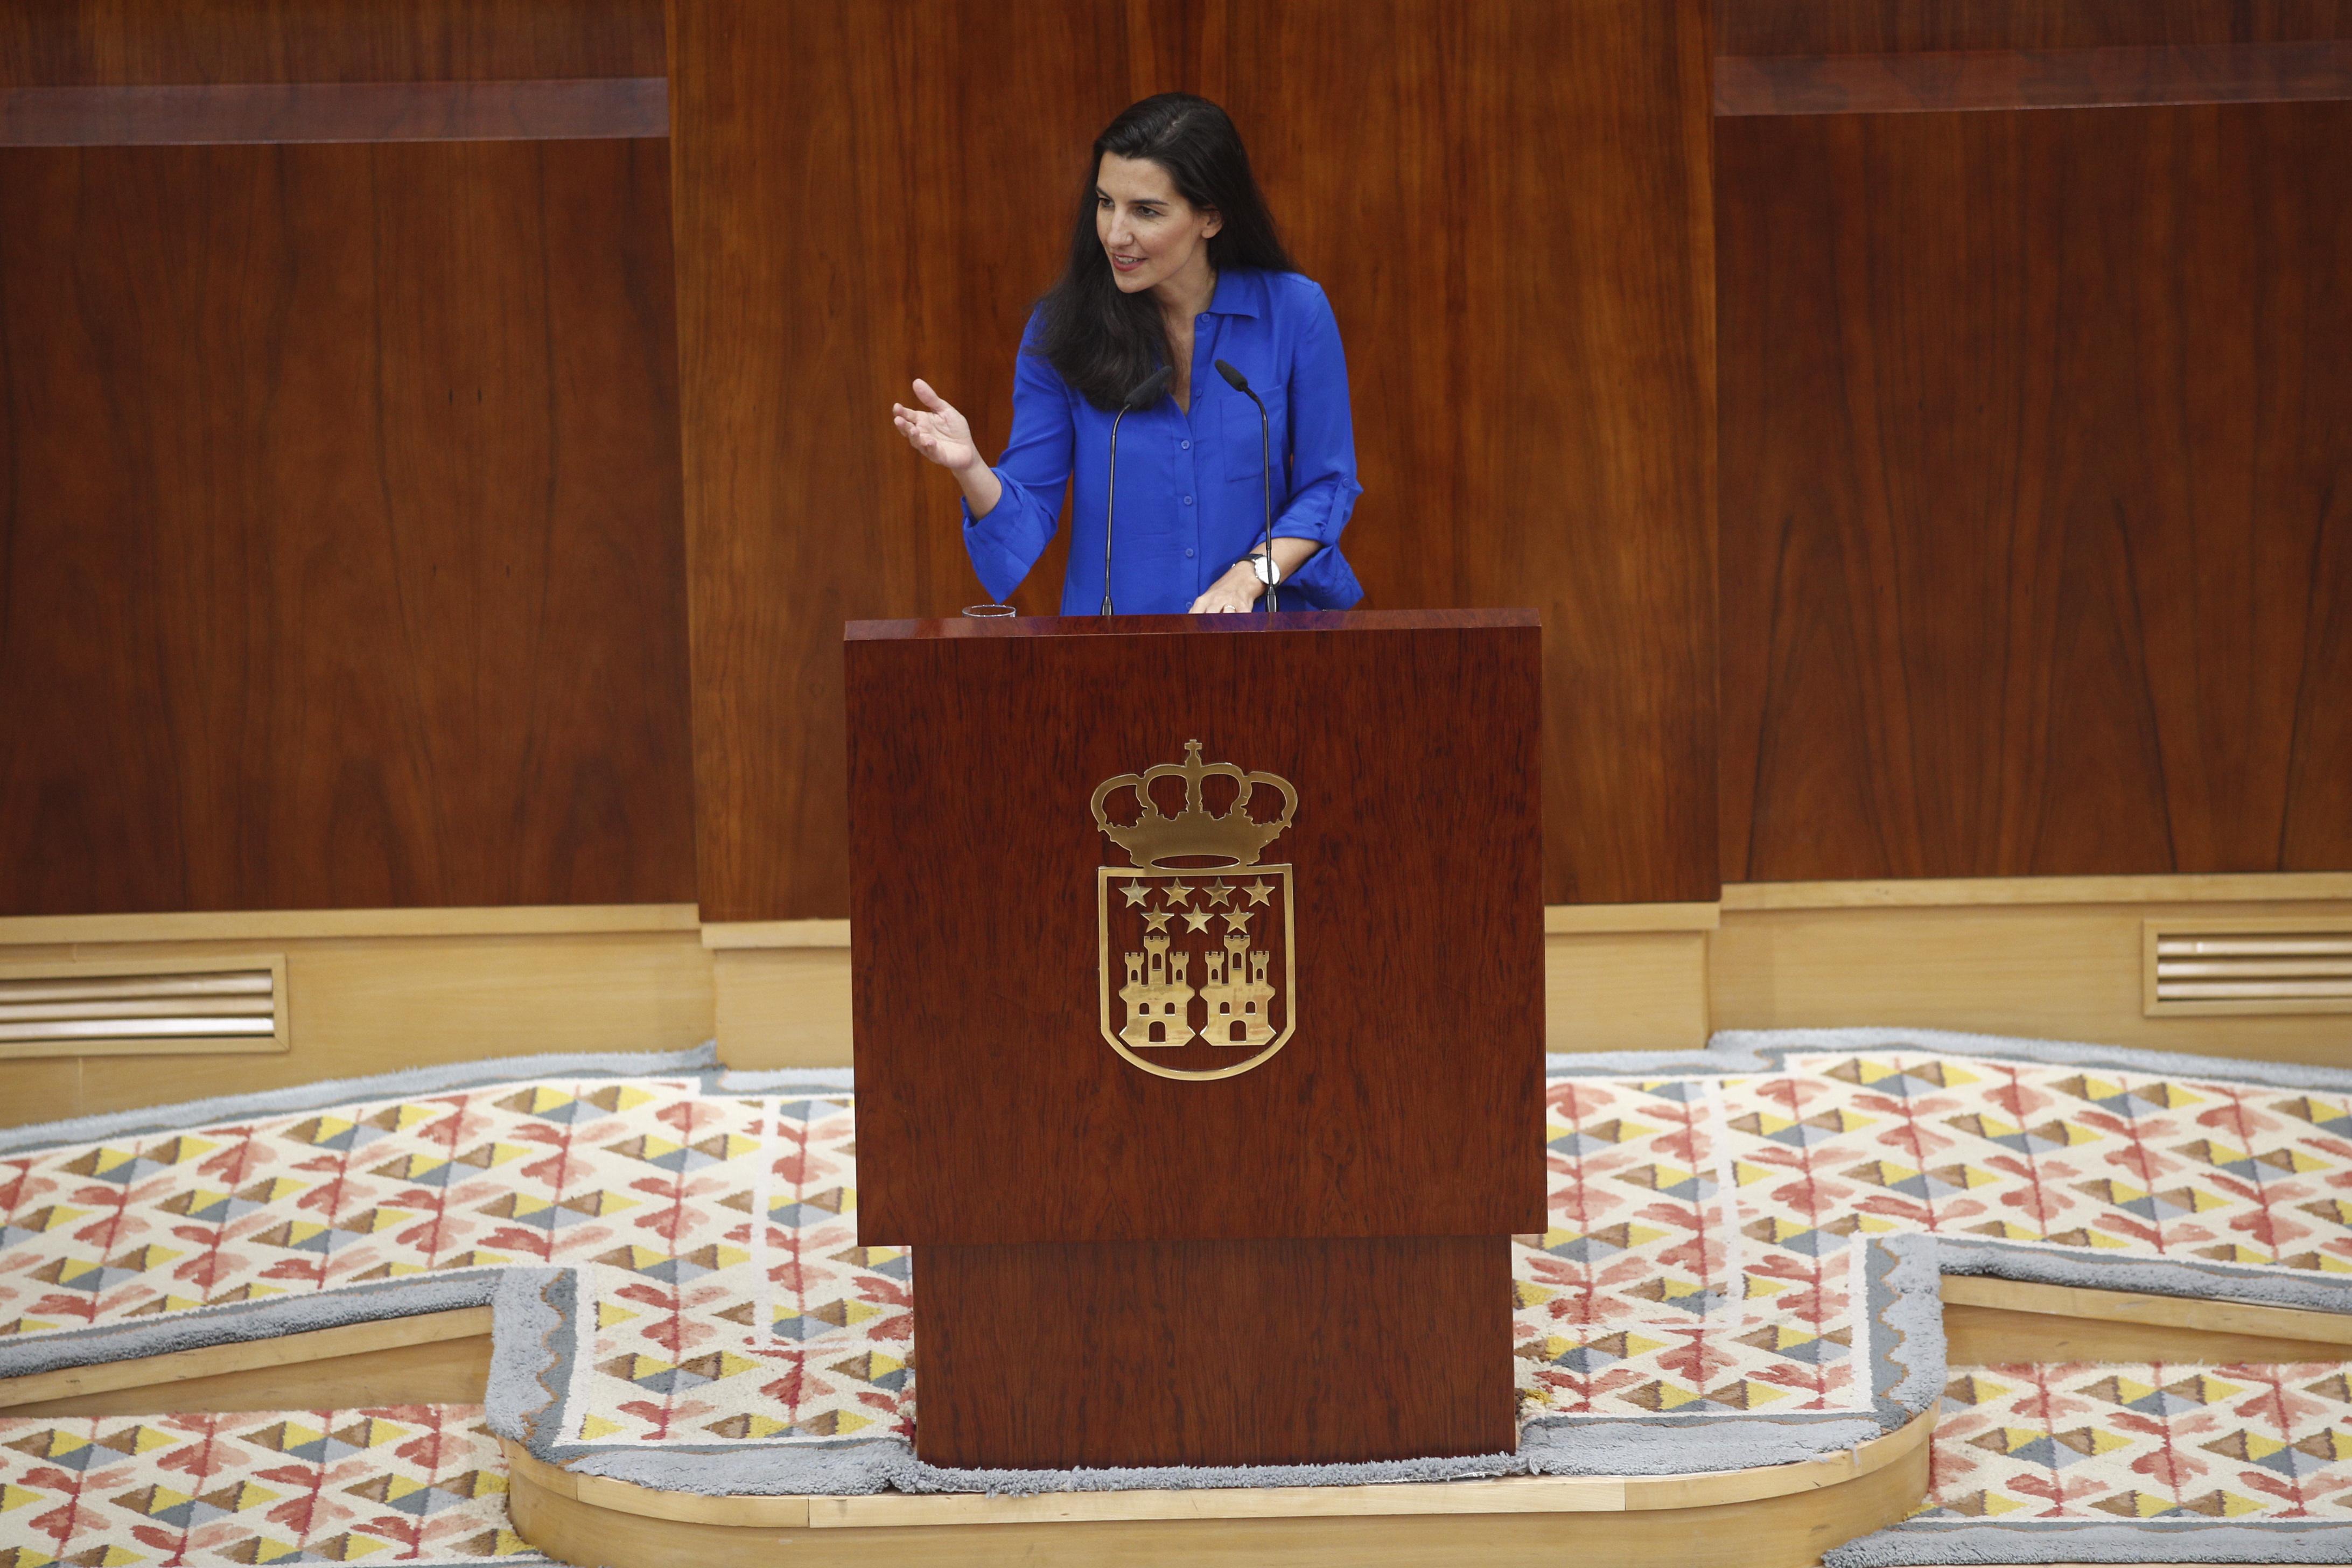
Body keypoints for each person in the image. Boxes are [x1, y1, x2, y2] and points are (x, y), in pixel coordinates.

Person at [890, 93, 1364, 615]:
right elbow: (1028, 510)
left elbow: (1327, 483)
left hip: (1262, 642)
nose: (1116, 234)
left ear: (1211, 217)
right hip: (1114, 653)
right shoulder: (1063, 328)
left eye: (1146, 211)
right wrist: (971, 466)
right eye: (1105, 202)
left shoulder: (1294, 312)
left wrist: (1252, 575)